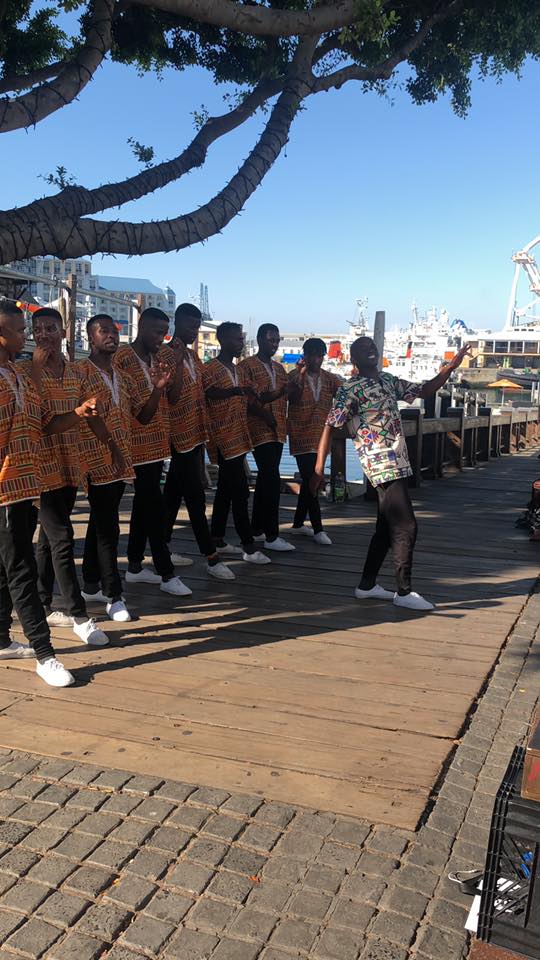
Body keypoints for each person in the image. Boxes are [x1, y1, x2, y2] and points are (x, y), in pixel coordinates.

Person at [312, 336, 471, 611]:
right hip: (380, 463)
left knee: (385, 528)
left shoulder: (388, 380)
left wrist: (450, 368)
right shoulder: (350, 389)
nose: (370, 349)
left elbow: (423, 390)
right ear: (354, 358)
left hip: (398, 460)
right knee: (406, 525)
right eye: (363, 348)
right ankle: (404, 592)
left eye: (372, 346)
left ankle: (366, 585)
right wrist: (318, 469)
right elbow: (330, 425)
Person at [0, 301, 100, 687]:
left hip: (28, 483)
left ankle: (1, 639)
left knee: (7, 566)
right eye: (21, 330)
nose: (28, 336)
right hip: (6, 489)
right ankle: (45, 654)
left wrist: (78, 414)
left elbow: (45, 423)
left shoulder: (18, 374)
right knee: (21, 568)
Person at [17, 308, 109, 647]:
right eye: (37, 329)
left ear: (64, 332)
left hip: (69, 462)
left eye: (50, 328)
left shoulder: (75, 372)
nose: (43, 334)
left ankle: (43, 602)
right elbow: (36, 417)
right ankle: (79, 615)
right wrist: (37, 369)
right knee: (61, 537)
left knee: (47, 540)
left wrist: (110, 446)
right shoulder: (23, 371)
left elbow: (87, 411)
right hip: (39, 466)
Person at [78, 314, 171, 622]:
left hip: (121, 461)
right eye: (103, 331)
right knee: (109, 527)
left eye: (114, 331)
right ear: (90, 337)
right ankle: (113, 595)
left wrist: (157, 389)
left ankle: (90, 583)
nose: (111, 336)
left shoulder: (123, 376)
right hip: (95, 459)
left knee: (100, 522)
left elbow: (142, 417)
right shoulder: (79, 373)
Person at [113, 307, 192, 597]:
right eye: (158, 332)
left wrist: (178, 366)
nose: (162, 339)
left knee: (143, 506)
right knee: (155, 506)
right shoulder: (122, 358)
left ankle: (134, 566)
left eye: (165, 333)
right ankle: (166, 571)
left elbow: (174, 397)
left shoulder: (160, 359)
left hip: (157, 441)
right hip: (134, 442)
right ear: (142, 327)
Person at [162, 303, 234, 581]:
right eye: (190, 326)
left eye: (197, 326)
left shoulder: (193, 356)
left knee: (172, 495)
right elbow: (172, 396)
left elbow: (202, 390)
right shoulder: (166, 355)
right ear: (177, 323)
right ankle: (211, 557)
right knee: (195, 497)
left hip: (194, 434)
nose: (194, 331)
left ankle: (162, 547)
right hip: (176, 434)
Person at [203, 322, 270, 565]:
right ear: (222, 340)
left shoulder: (238, 370)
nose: (240, 343)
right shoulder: (210, 369)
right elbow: (208, 392)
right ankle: (248, 546)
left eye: (241, 339)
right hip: (222, 435)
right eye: (236, 339)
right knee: (240, 491)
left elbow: (251, 395)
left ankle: (217, 537)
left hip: (240, 435)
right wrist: (233, 392)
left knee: (225, 488)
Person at [238, 323, 294, 552]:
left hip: (277, 427)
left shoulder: (279, 368)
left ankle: (257, 528)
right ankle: (272, 535)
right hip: (258, 426)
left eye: (277, 340)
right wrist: (264, 414)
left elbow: (286, 396)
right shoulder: (246, 366)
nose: (275, 344)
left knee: (265, 476)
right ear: (260, 339)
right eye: (271, 340)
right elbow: (248, 399)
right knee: (271, 477)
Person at [287, 338, 341, 544]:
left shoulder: (330, 379)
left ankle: (298, 524)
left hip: (322, 437)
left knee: (309, 478)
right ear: (305, 355)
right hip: (301, 434)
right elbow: (291, 397)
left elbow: (344, 395)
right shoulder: (294, 376)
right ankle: (318, 528)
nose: (315, 359)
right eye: (311, 355)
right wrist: (300, 374)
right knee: (313, 478)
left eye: (319, 355)